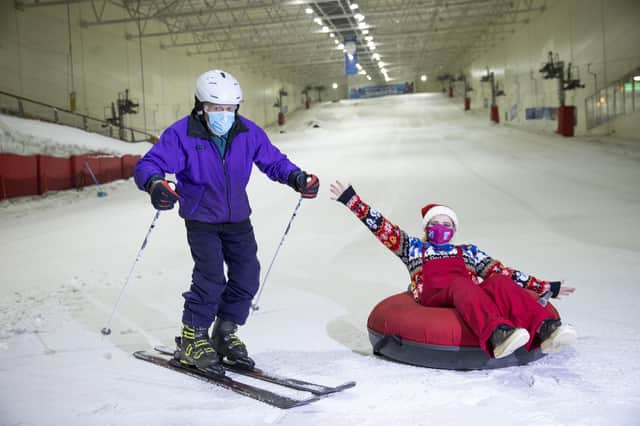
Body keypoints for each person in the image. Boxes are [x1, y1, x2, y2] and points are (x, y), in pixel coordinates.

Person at [134, 70, 320, 376]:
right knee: (210, 278)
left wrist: (296, 177)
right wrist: (155, 184)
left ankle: (224, 332)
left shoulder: (247, 132)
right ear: (200, 106)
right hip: (202, 218)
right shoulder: (183, 134)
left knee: (247, 275)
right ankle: (193, 337)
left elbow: (273, 160)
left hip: (237, 218)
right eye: (216, 108)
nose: (224, 115)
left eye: (230, 109)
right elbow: (149, 164)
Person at [329, 181, 576, 359]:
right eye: (435, 224)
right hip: (435, 296)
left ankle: (545, 329)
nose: (440, 228)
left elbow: (504, 272)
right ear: (427, 229)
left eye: (446, 224)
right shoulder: (413, 248)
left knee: (498, 282)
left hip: (468, 295)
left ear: (453, 229)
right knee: (463, 285)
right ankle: (498, 335)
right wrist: (352, 201)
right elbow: (383, 228)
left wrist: (545, 287)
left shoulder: (467, 251)